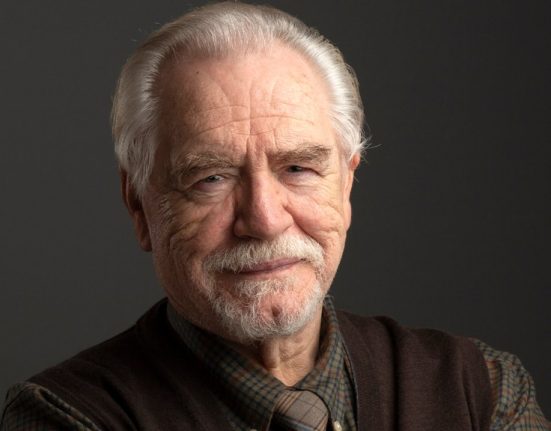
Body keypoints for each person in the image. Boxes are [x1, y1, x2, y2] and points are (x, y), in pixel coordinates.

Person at [1, 2, 548, 430]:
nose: (264, 220)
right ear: (140, 205)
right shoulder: (66, 416)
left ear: (346, 185)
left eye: (297, 168)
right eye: (211, 178)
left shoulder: (480, 390)